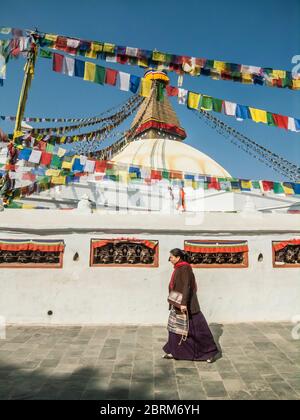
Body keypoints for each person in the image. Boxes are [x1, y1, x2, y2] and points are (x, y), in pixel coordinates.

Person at [162, 248, 219, 362]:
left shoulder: (185, 268)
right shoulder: (178, 268)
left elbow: (187, 286)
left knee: (198, 330)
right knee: (174, 329)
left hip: (188, 305)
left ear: (178, 258)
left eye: (171, 257)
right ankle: (174, 351)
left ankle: (209, 353)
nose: (170, 259)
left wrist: (183, 304)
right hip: (177, 303)